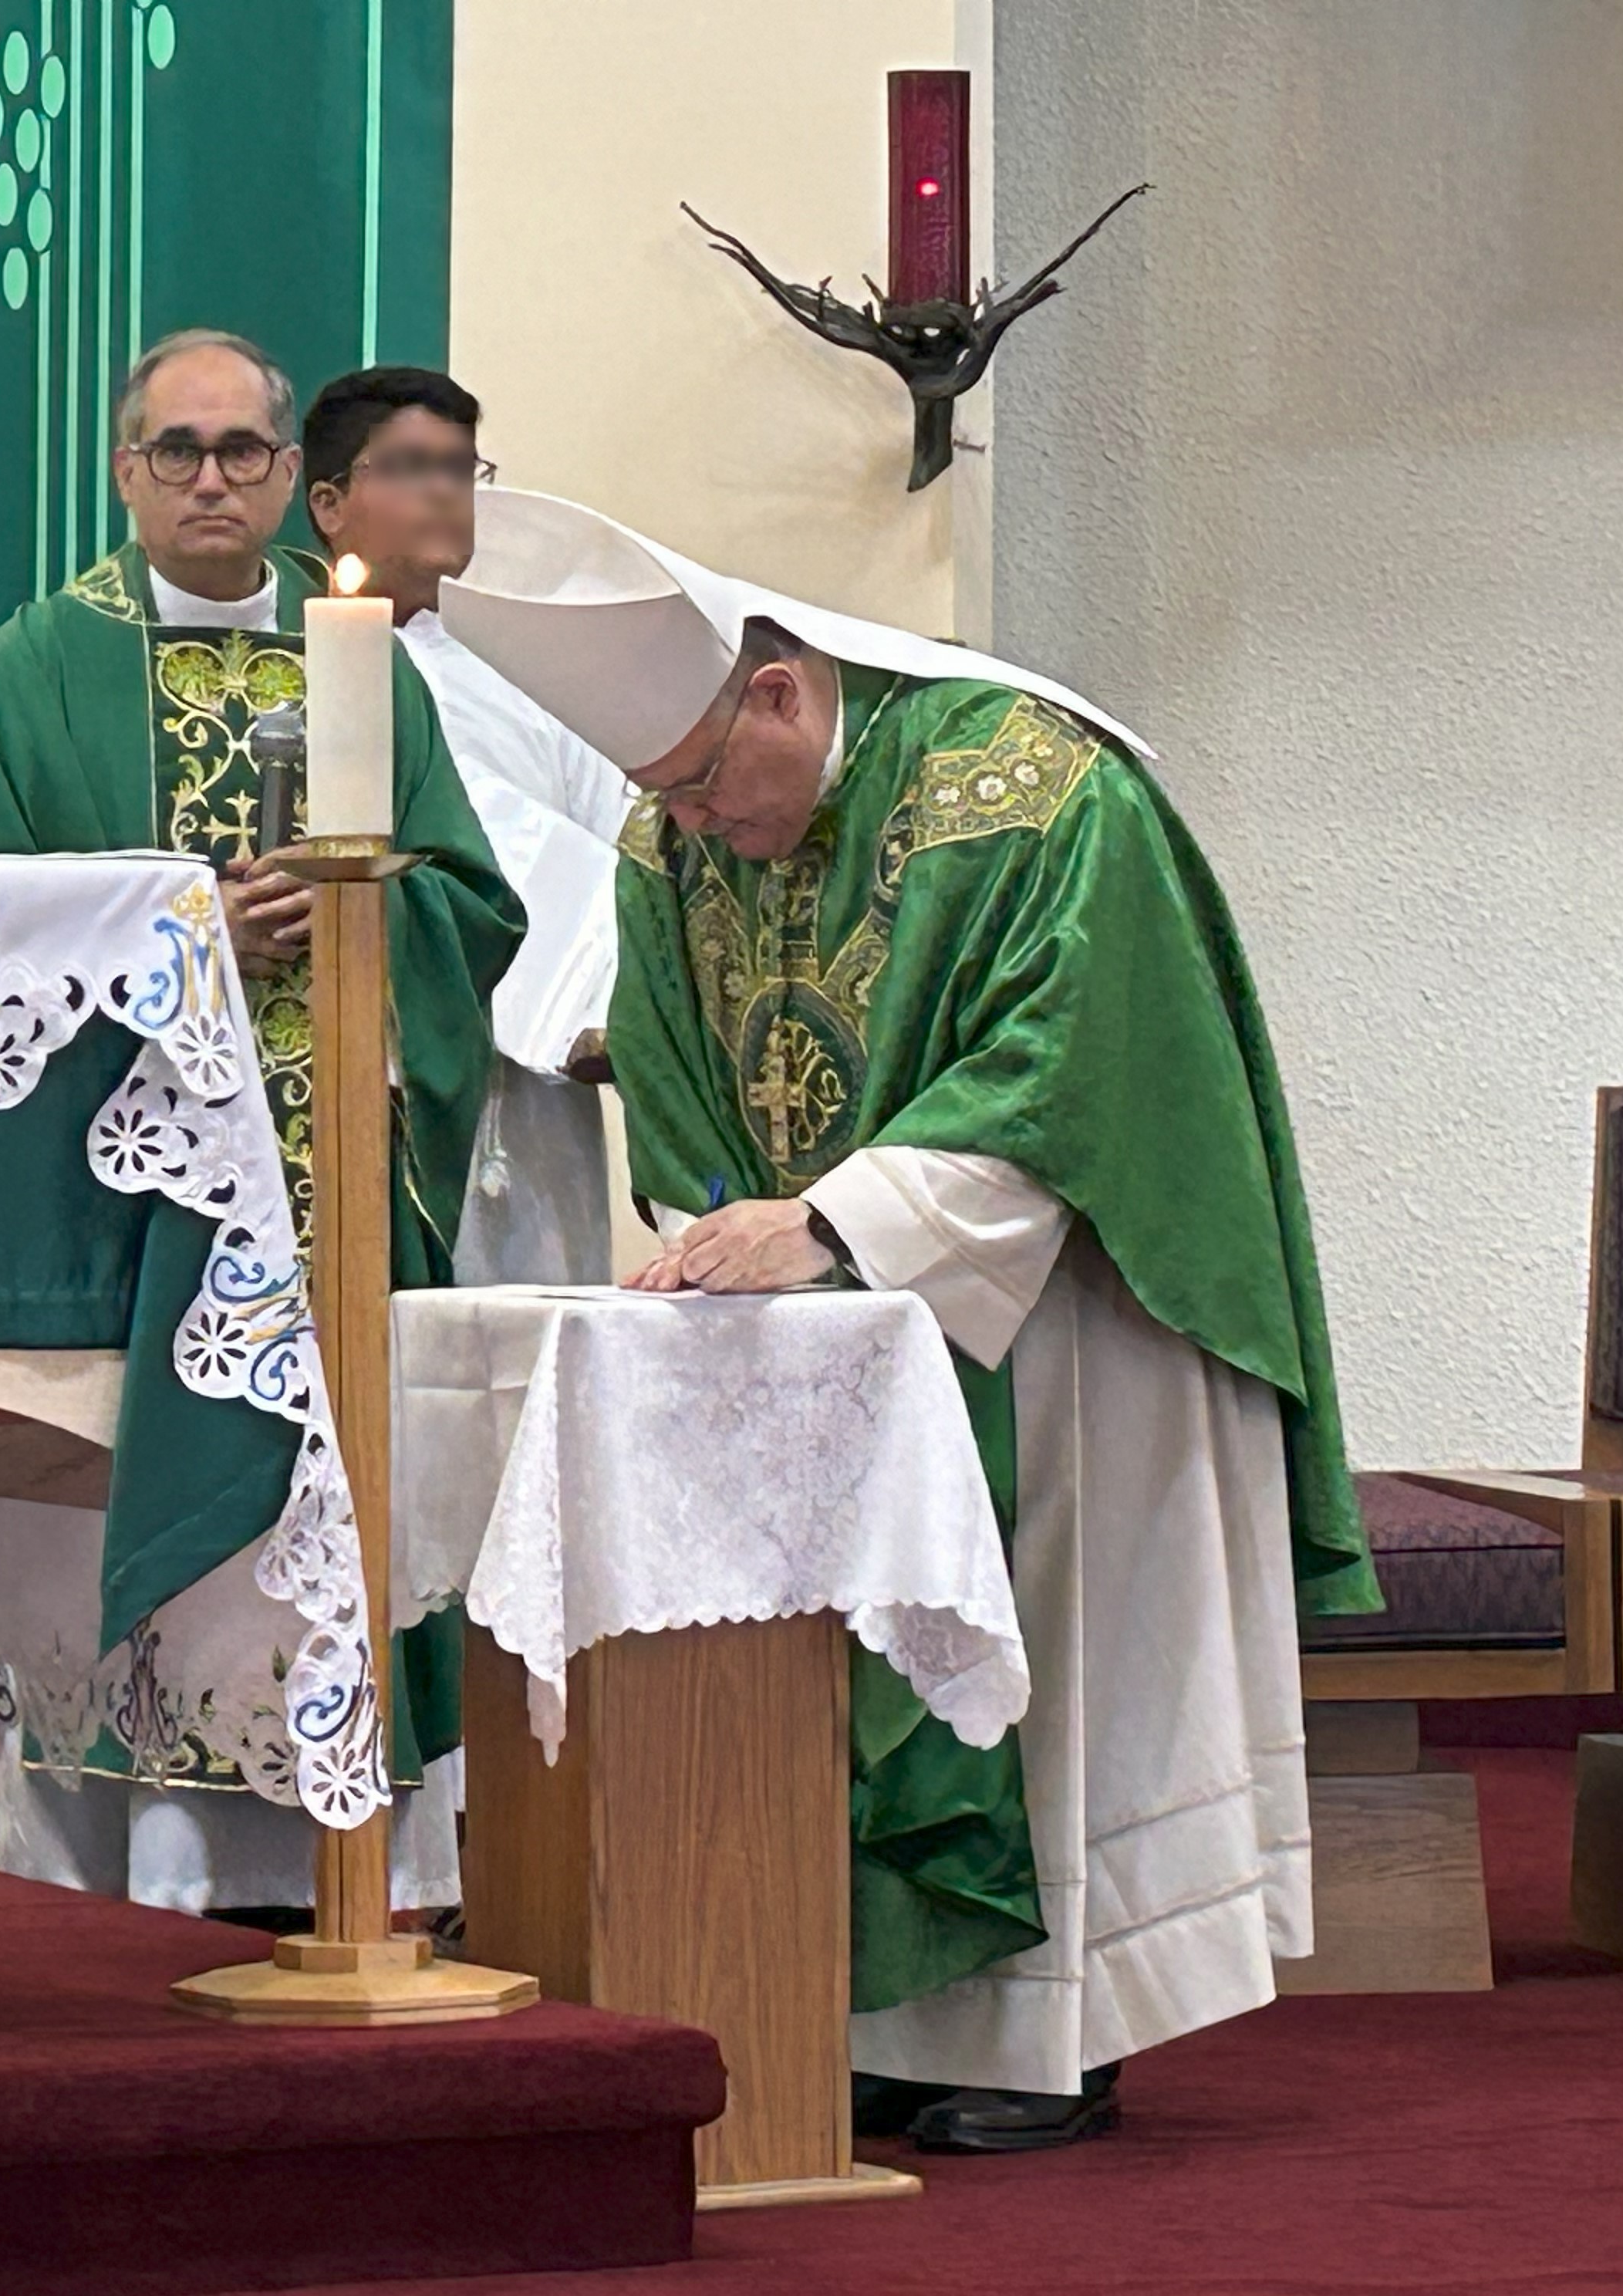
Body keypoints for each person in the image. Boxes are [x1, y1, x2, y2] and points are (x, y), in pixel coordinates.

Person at [440, 489, 1379, 2152]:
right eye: (666, 801)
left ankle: (1054, 2040)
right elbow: (674, 1067)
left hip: (1071, 1323)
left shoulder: (1030, 787)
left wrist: (833, 1222)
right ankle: (876, 2016)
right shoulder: (679, 841)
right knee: (838, 1662)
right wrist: (717, 1234)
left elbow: (1069, 1066)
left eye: (709, 785)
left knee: (1057, 1658)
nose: (695, 832)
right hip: (853, 1332)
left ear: (783, 690)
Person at [0, 329, 522, 1918]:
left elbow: (471, 904)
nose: (211, 481)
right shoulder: (35, 665)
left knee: (336, 1509)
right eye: (177, 451)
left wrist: (365, 925)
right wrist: (177, 939)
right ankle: (122, 1873)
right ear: (125, 473)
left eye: (243, 450)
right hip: (119, 1207)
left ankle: (341, 1868)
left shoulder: (358, 659)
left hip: (338, 1191)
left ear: (288, 475)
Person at [299, 366, 630, 1282]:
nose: (445, 490)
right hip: (367, 1060)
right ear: (328, 501)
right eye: (410, 465)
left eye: (462, 467)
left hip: (534, 1088)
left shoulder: (538, 675)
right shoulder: (297, 669)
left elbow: (621, 849)